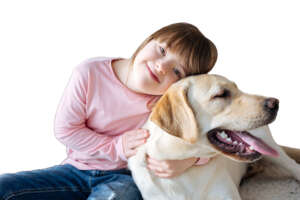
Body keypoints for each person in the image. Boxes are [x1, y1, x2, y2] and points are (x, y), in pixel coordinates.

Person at [0, 22, 217, 200]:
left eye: (177, 71)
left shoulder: (172, 103)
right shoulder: (90, 73)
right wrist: (117, 146)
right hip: (75, 171)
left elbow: (213, 142)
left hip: (128, 178)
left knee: (116, 195)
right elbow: (66, 130)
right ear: (148, 40)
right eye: (162, 51)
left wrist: (188, 161)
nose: (162, 67)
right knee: (5, 187)